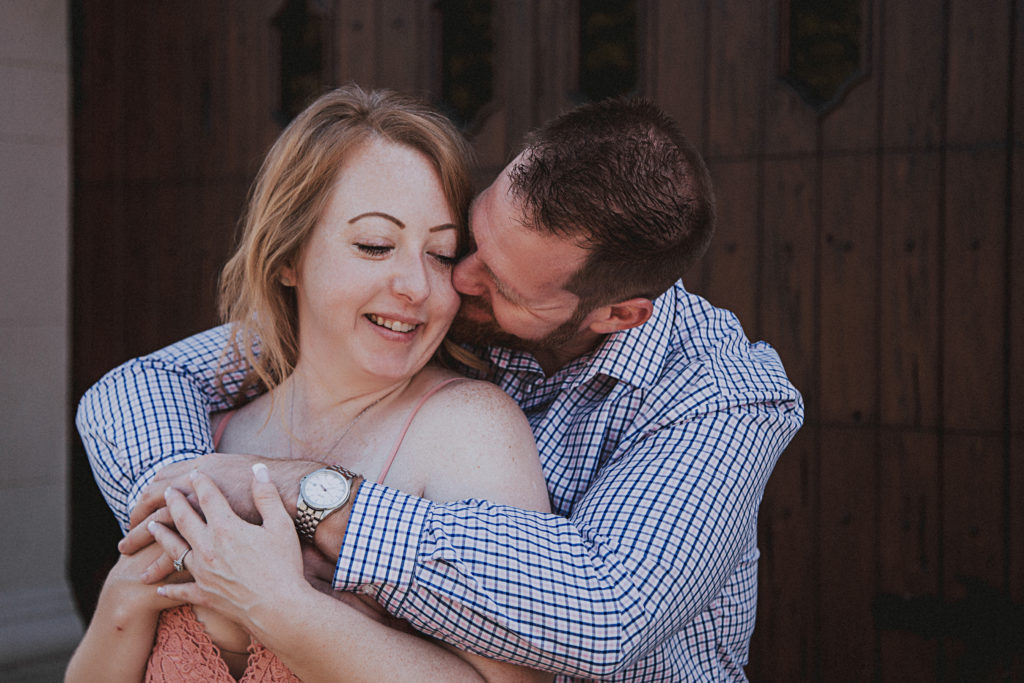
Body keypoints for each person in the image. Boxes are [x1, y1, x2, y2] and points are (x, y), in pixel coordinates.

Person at [78, 93, 804, 681]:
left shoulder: (720, 396)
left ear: (618, 314)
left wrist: (302, 501)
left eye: (486, 274)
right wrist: (189, 512)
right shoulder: (440, 323)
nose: (452, 282)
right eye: (471, 240)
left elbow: (603, 613)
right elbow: (145, 383)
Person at [67, 85, 552, 682]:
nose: (416, 287)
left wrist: (286, 611)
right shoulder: (205, 437)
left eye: (442, 254)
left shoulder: (469, 429)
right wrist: (122, 601)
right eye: (376, 245)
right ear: (287, 257)